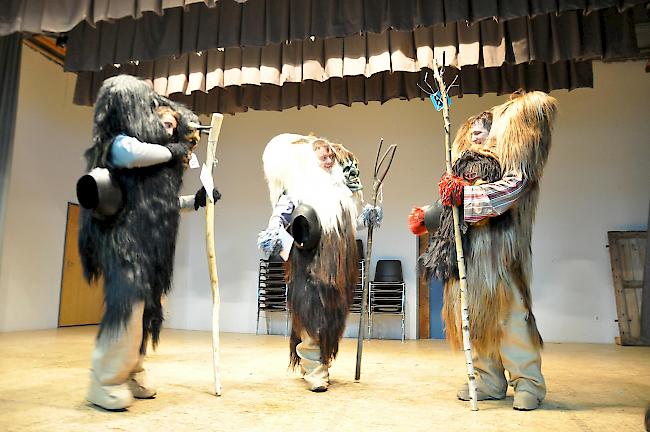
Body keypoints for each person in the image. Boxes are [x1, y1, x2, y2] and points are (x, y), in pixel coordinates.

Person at [78, 75, 219, 411]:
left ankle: (131, 371)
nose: (169, 129)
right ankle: (105, 380)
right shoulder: (118, 144)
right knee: (127, 312)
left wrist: (196, 201)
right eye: (163, 122)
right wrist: (174, 151)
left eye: (174, 125)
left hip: (152, 250)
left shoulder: (158, 168)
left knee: (146, 314)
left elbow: (163, 206)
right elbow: (131, 153)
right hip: (125, 243)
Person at [410, 91, 557, 411]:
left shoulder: (511, 164)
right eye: (473, 127)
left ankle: (528, 382)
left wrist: (465, 197)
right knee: (473, 318)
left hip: (500, 254)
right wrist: (429, 215)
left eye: (484, 126)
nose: (476, 130)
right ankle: (488, 379)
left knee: (511, 318)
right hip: (466, 254)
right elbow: (451, 203)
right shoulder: (461, 165)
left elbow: (512, 189)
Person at [258, 133, 373, 392]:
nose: (328, 158)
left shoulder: (344, 191)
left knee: (333, 314)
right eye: (322, 154)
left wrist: (370, 217)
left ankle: (319, 362)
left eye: (331, 154)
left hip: (338, 261)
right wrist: (273, 229)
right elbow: (283, 209)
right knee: (310, 310)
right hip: (308, 258)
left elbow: (356, 220)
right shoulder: (300, 187)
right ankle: (314, 368)